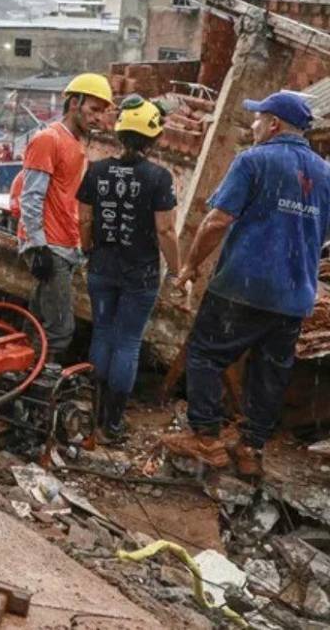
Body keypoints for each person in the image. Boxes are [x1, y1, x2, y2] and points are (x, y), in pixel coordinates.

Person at [163, 92, 330, 477]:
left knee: (206, 353)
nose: (253, 124)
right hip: (294, 297)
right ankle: (251, 449)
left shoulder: (254, 161)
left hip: (244, 286)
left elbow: (218, 221)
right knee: (270, 372)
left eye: (258, 118)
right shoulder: (324, 175)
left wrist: (189, 266)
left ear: (273, 125)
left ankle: (206, 438)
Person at [77, 97, 179, 444]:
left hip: (102, 267)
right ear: (152, 138)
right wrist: (177, 271)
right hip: (141, 274)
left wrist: (89, 250)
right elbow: (165, 231)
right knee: (128, 343)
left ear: (120, 133)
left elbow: (84, 219)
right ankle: (113, 424)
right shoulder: (158, 178)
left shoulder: (97, 170)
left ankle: (93, 414)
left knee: (102, 334)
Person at [16, 72, 113, 362]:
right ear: (74, 103)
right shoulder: (48, 139)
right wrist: (37, 246)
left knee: (37, 324)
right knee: (60, 330)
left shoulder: (76, 144)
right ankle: (35, 394)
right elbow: (31, 196)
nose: (98, 118)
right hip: (50, 247)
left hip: (64, 247)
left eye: (102, 112)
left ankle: (17, 384)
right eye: (93, 110)